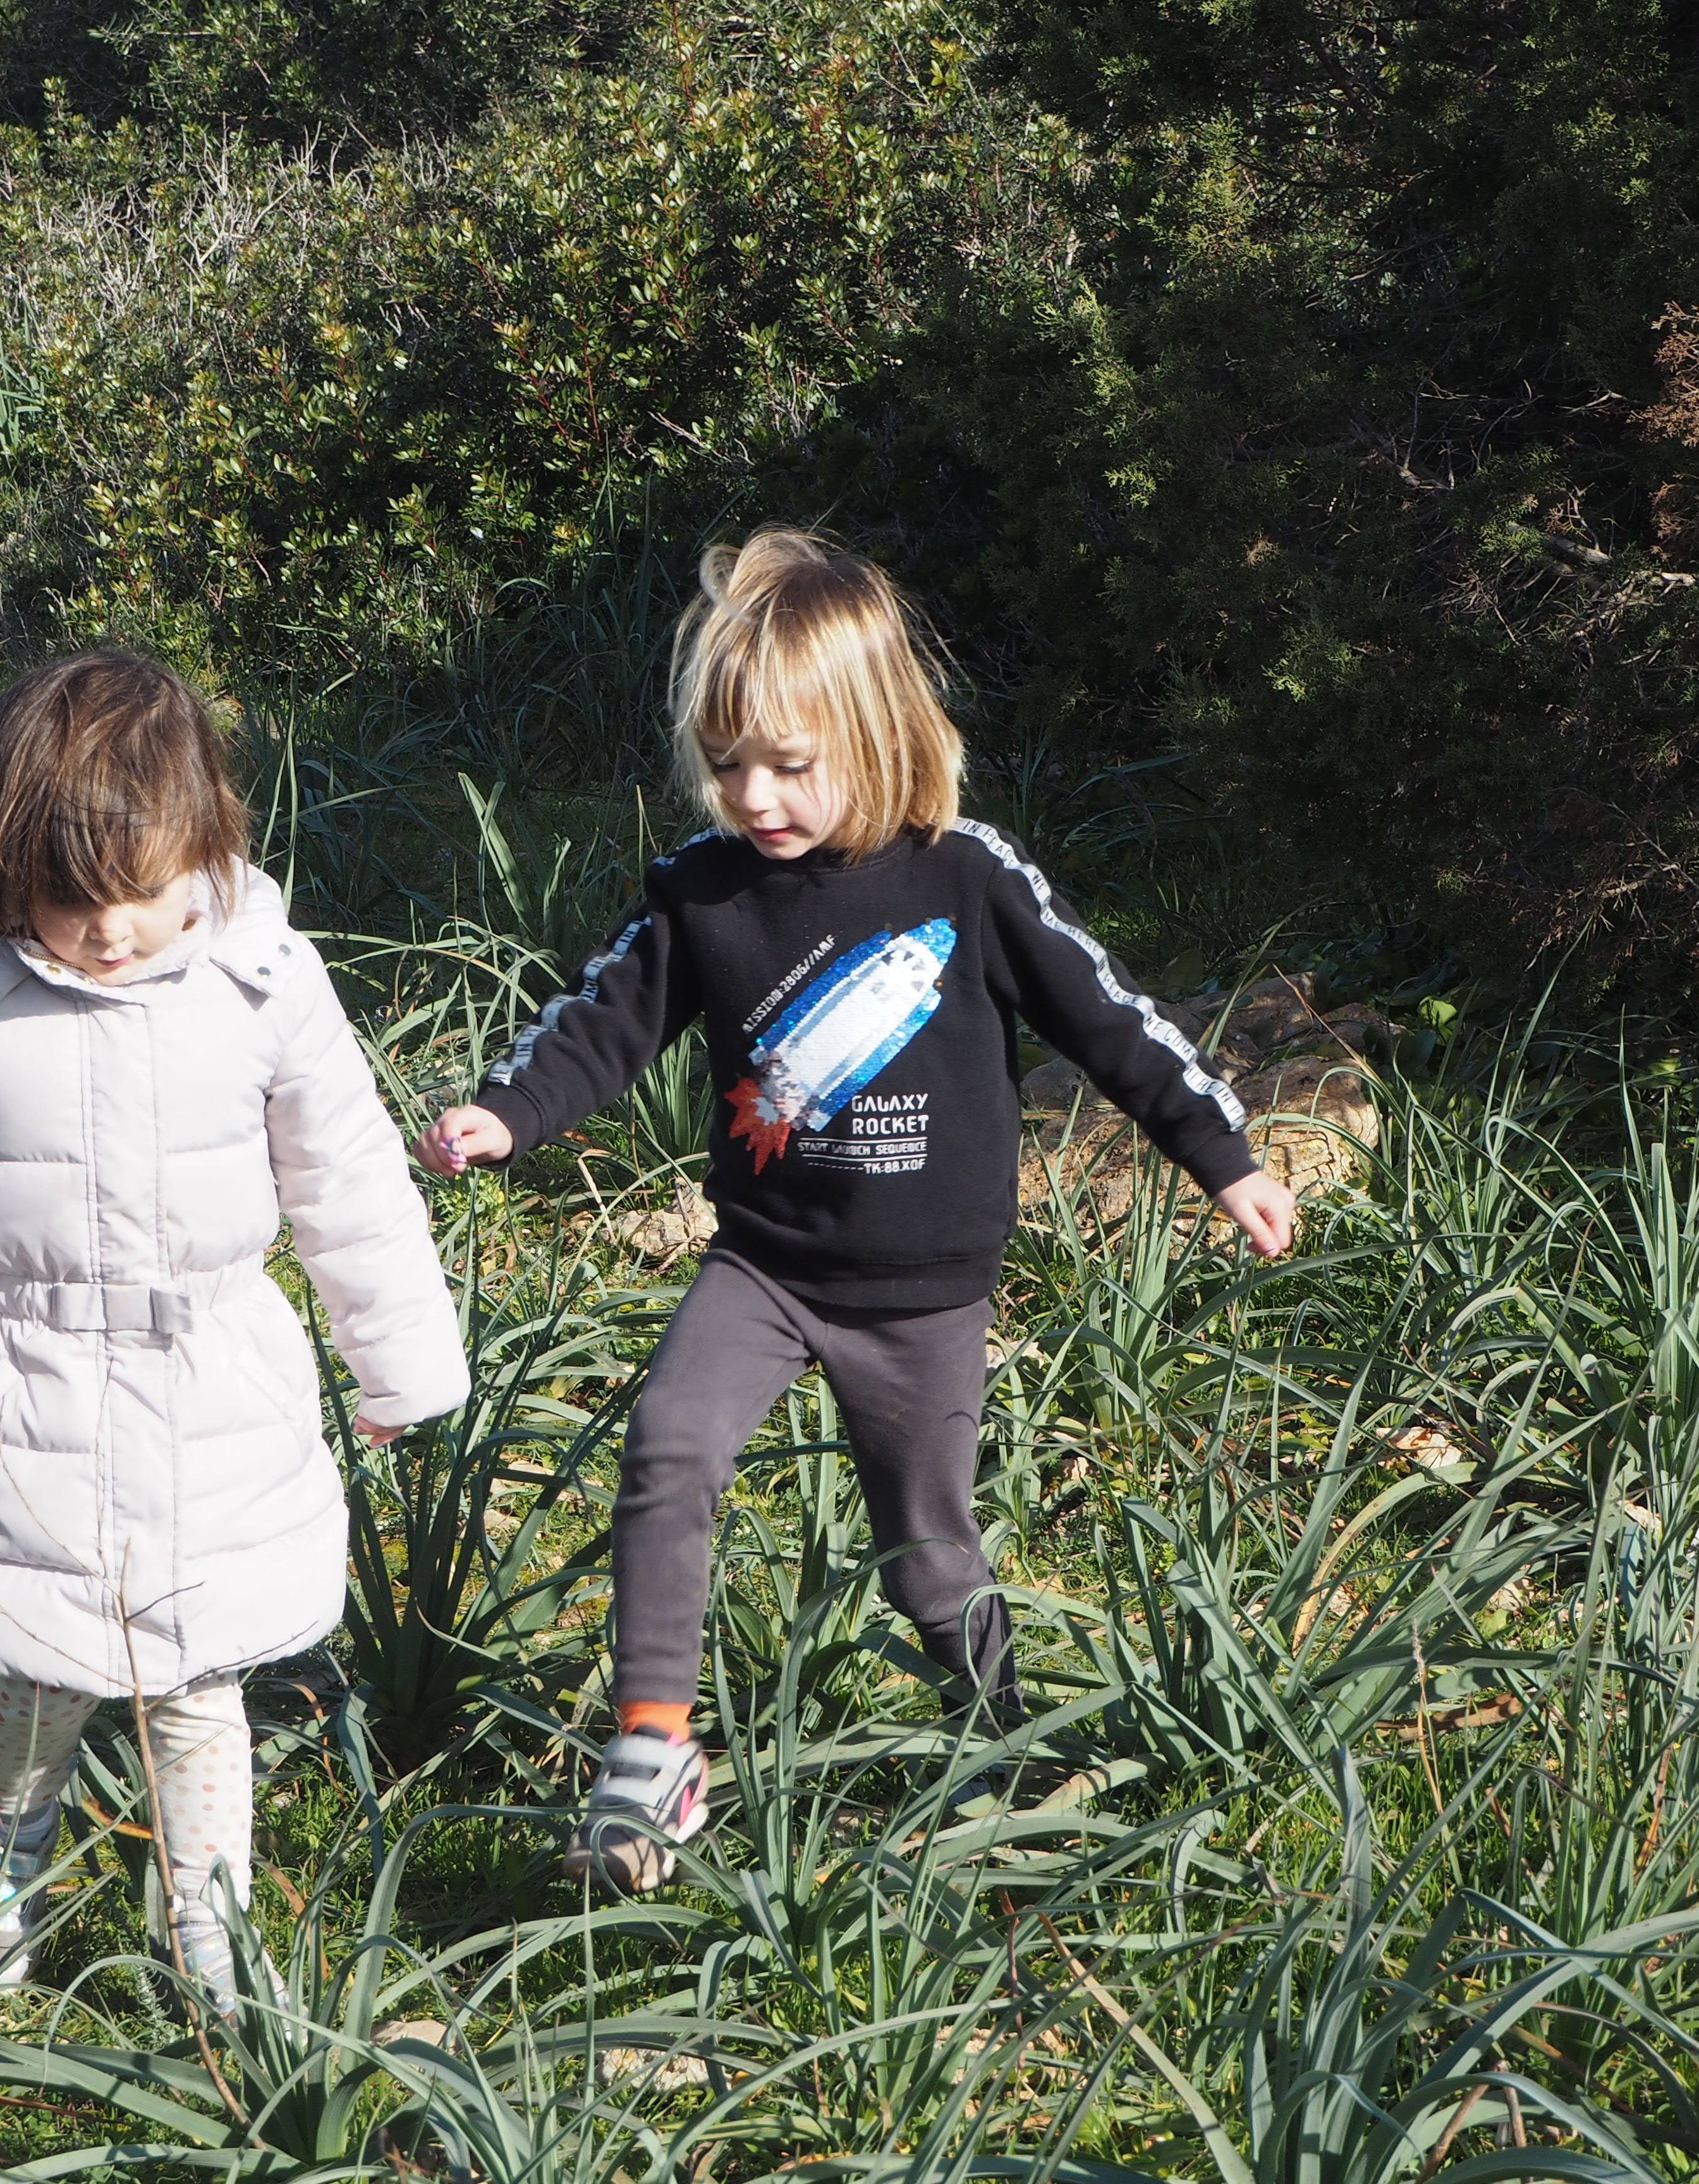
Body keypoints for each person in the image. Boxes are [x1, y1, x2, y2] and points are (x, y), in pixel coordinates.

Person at [415, 530, 1298, 1891]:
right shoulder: (705, 894)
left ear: (877, 732)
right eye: (727, 764)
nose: (753, 797)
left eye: (788, 764)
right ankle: (654, 1746)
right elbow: (603, 1022)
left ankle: (1017, 1756)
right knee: (667, 1448)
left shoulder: (967, 877)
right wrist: (510, 1109)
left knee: (929, 1558)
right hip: (766, 1267)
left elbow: (1113, 1022)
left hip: (926, 1297)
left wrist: (1221, 1151)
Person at [0, 652, 468, 2007]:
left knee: (199, 1687)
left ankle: (210, 1931)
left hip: (210, 1384)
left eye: (139, 897)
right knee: (25, 1686)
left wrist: (398, 1360)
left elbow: (348, 1175)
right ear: (0, 860)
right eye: (68, 898)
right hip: (9, 1384)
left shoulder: (262, 981)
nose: (106, 933)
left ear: (202, 846)